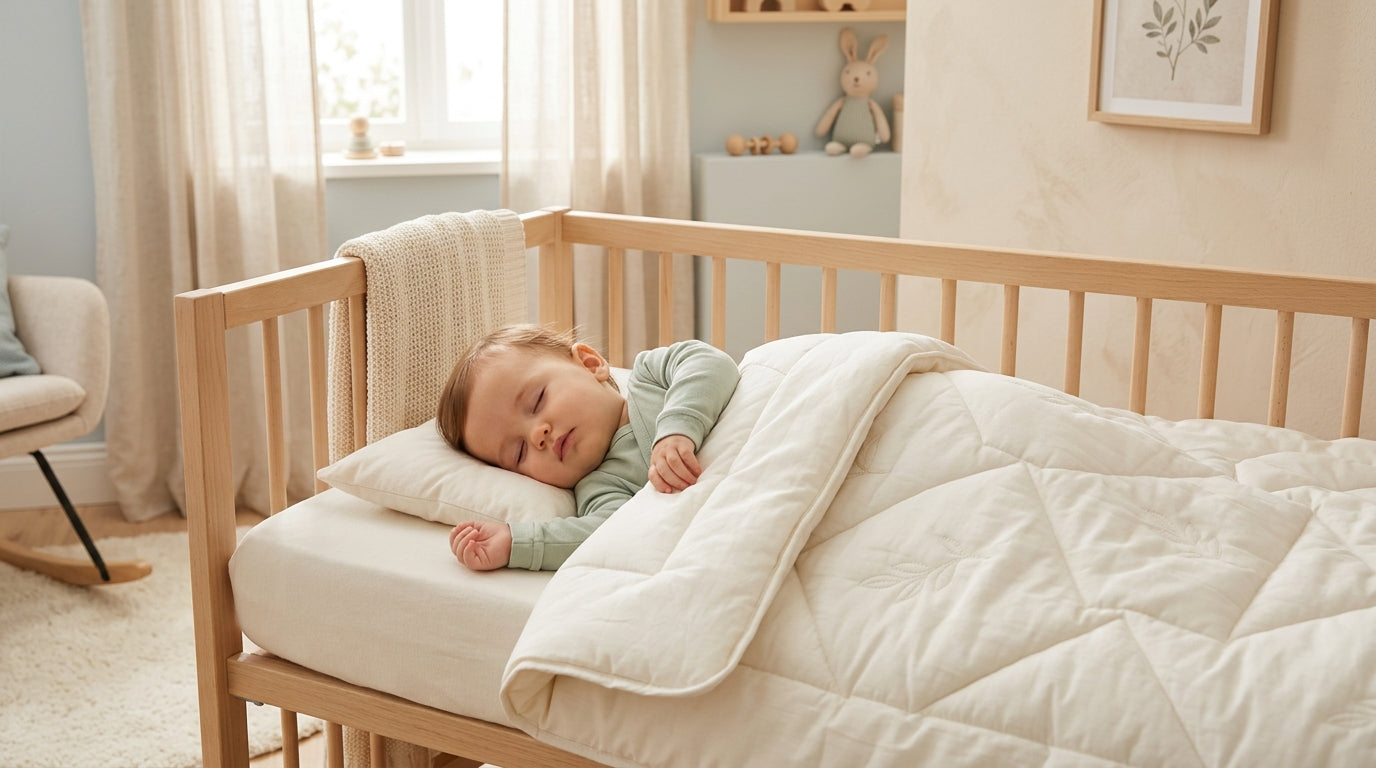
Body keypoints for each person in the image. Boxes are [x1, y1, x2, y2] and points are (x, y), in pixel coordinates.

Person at [436, 324, 740, 571]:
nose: (538, 435)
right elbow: (607, 535)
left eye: (537, 400)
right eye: (519, 453)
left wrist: (677, 430)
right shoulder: (600, 488)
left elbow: (710, 363)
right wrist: (514, 543)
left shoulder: (651, 379)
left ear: (590, 364)